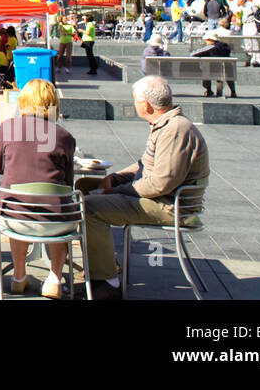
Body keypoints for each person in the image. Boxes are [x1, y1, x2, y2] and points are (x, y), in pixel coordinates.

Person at [83, 75, 210, 299]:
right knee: (83, 187)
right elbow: (144, 165)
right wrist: (116, 178)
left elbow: (160, 183)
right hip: (159, 198)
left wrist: (118, 190)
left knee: (90, 208)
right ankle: (100, 260)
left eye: (135, 99)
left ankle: (107, 282)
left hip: (168, 205)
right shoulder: (165, 126)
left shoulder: (175, 130)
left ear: (146, 105)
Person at [0, 79, 77, 299]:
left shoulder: (9, 127)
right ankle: (54, 279)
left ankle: (18, 276)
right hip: (54, 219)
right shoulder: (64, 136)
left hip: (14, 216)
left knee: (18, 205)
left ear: (24, 101)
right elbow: (69, 181)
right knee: (64, 211)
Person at [192, 30, 235, 98]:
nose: (206, 41)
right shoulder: (225, 46)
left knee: (206, 71)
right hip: (226, 70)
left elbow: (194, 54)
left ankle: (208, 90)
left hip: (211, 70)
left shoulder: (210, 47)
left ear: (210, 39)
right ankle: (233, 91)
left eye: (206, 40)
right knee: (225, 72)